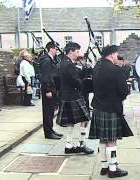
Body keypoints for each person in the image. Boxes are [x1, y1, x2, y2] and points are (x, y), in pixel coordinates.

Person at [89, 45, 133, 178]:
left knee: (102, 139)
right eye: (116, 54)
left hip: (98, 107)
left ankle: (104, 166)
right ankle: (113, 169)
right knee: (111, 140)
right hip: (111, 108)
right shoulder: (116, 70)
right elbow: (124, 91)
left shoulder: (97, 67)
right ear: (112, 55)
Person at [56, 42, 94, 155]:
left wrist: (85, 71)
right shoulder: (68, 64)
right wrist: (87, 85)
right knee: (86, 119)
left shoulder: (64, 62)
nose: (78, 54)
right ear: (71, 51)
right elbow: (75, 81)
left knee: (70, 121)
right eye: (77, 51)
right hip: (73, 96)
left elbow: (74, 76)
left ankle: (69, 145)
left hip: (66, 95)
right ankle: (81, 144)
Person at [39, 42, 63, 139]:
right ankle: (48, 133)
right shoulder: (46, 60)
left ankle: (51, 129)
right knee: (48, 112)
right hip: (48, 89)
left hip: (52, 88)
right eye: (56, 49)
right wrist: (47, 90)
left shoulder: (51, 59)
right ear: (51, 49)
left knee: (51, 111)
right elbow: (45, 76)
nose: (57, 50)